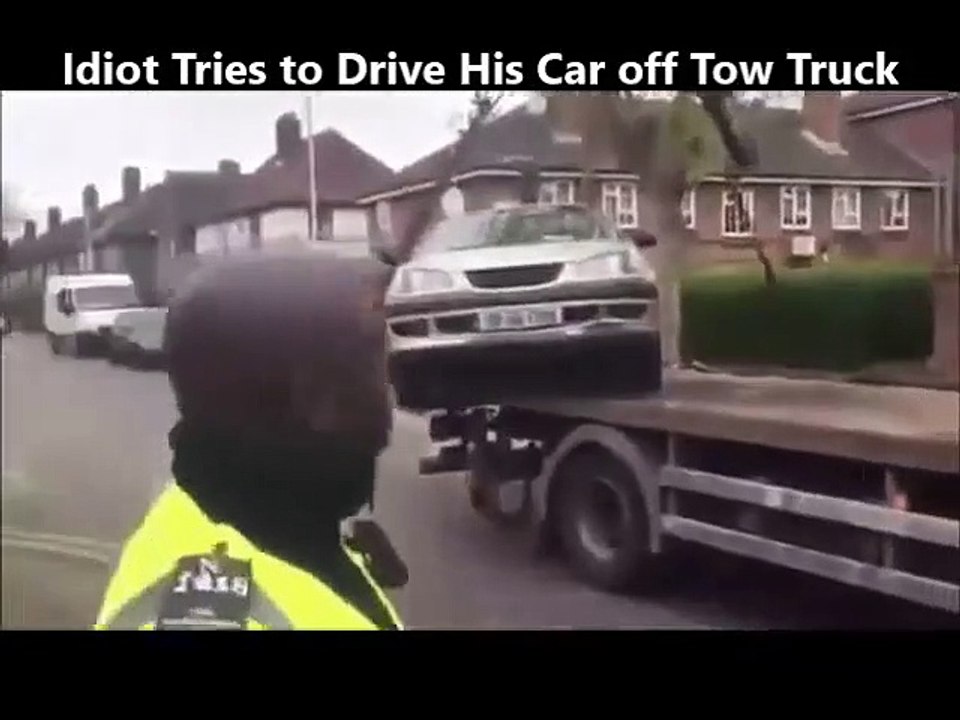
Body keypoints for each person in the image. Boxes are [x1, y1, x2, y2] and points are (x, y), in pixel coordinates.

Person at [94, 253, 405, 630]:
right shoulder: (206, 617)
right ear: (295, 394)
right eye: (366, 371)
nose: (387, 395)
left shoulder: (285, 528)